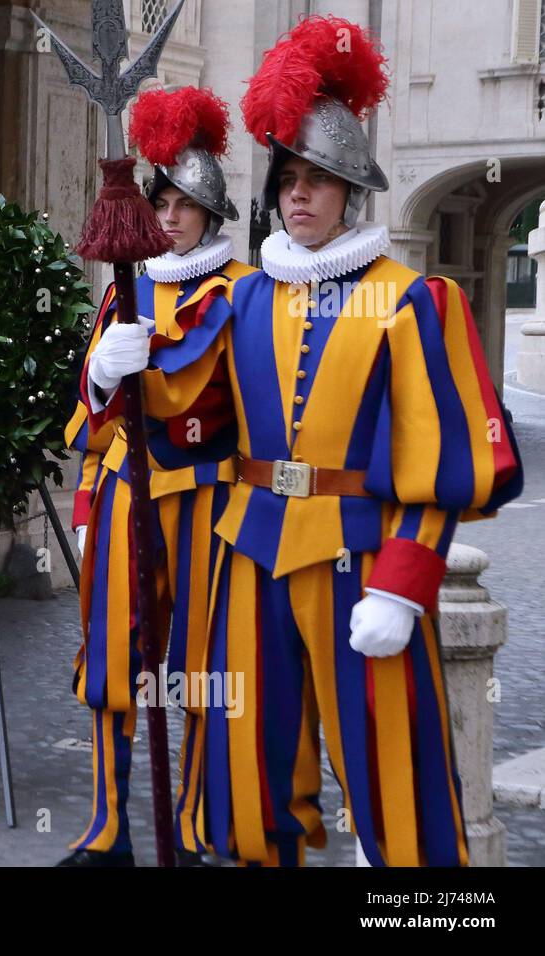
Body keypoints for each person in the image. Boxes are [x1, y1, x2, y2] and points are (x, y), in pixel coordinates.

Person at [88, 17, 524, 866]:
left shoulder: (415, 300)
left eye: (320, 180)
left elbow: (444, 469)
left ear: (351, 192)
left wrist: (403, 586)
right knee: (248, 778)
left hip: (362, 558)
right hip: (247, 557)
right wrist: (114, 371)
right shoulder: (241, 299)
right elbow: (182, 429)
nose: (300, 194)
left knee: (393, 774)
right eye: (289, 177)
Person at [58, 87, 255, 866]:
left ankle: (199, 825)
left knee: (197, 668)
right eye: (160, 200)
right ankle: (109, 826)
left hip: (202, 500)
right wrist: (101, 376)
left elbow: (186, 383)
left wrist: (139, 363)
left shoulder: (238, 290)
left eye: (184, 203)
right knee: (111, 660)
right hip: (120, 499)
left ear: (211, 214)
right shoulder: (122, 289)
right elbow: (92, 416)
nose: (169, 216)